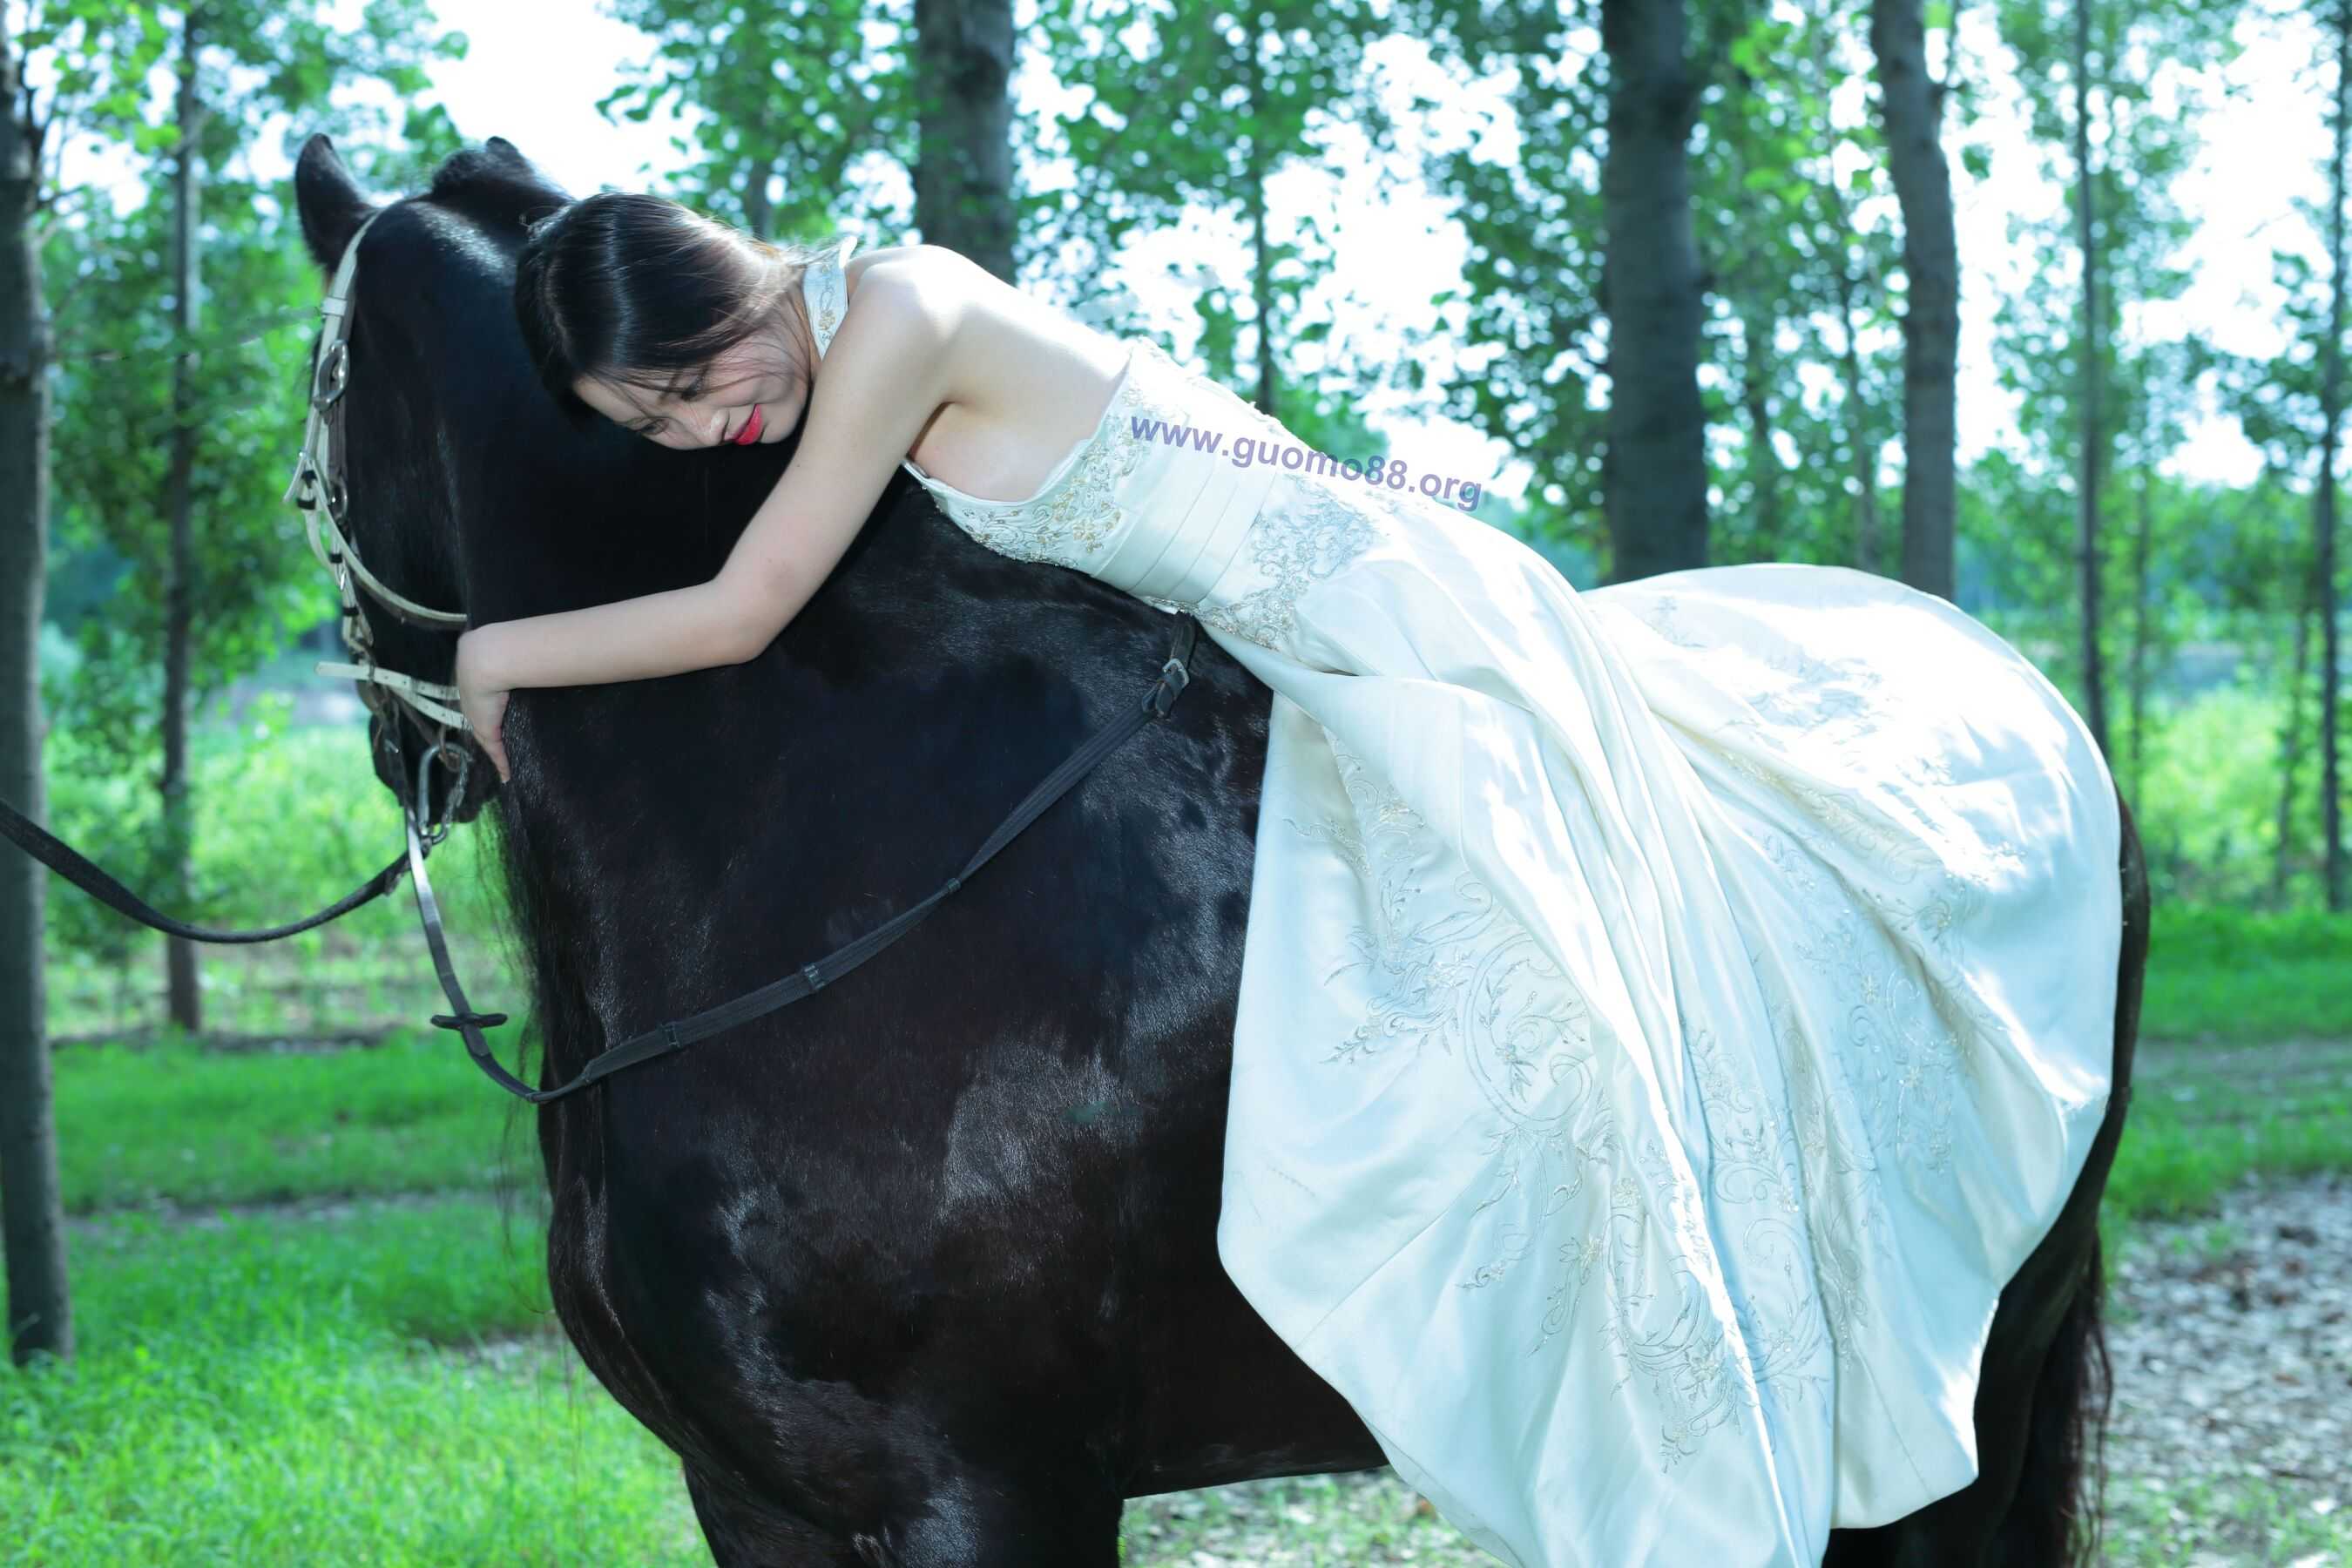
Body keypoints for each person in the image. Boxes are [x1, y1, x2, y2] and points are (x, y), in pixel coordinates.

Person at [463, 191, 2124, 1568]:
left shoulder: (898, 315)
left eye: (689, 382)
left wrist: (494, 660)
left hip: (1358, 610)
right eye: (656, 426)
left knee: (1535, 983)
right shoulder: (841, 333)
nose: (707, 427)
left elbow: (749, 606)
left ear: (723, 287)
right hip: (1262, 635)